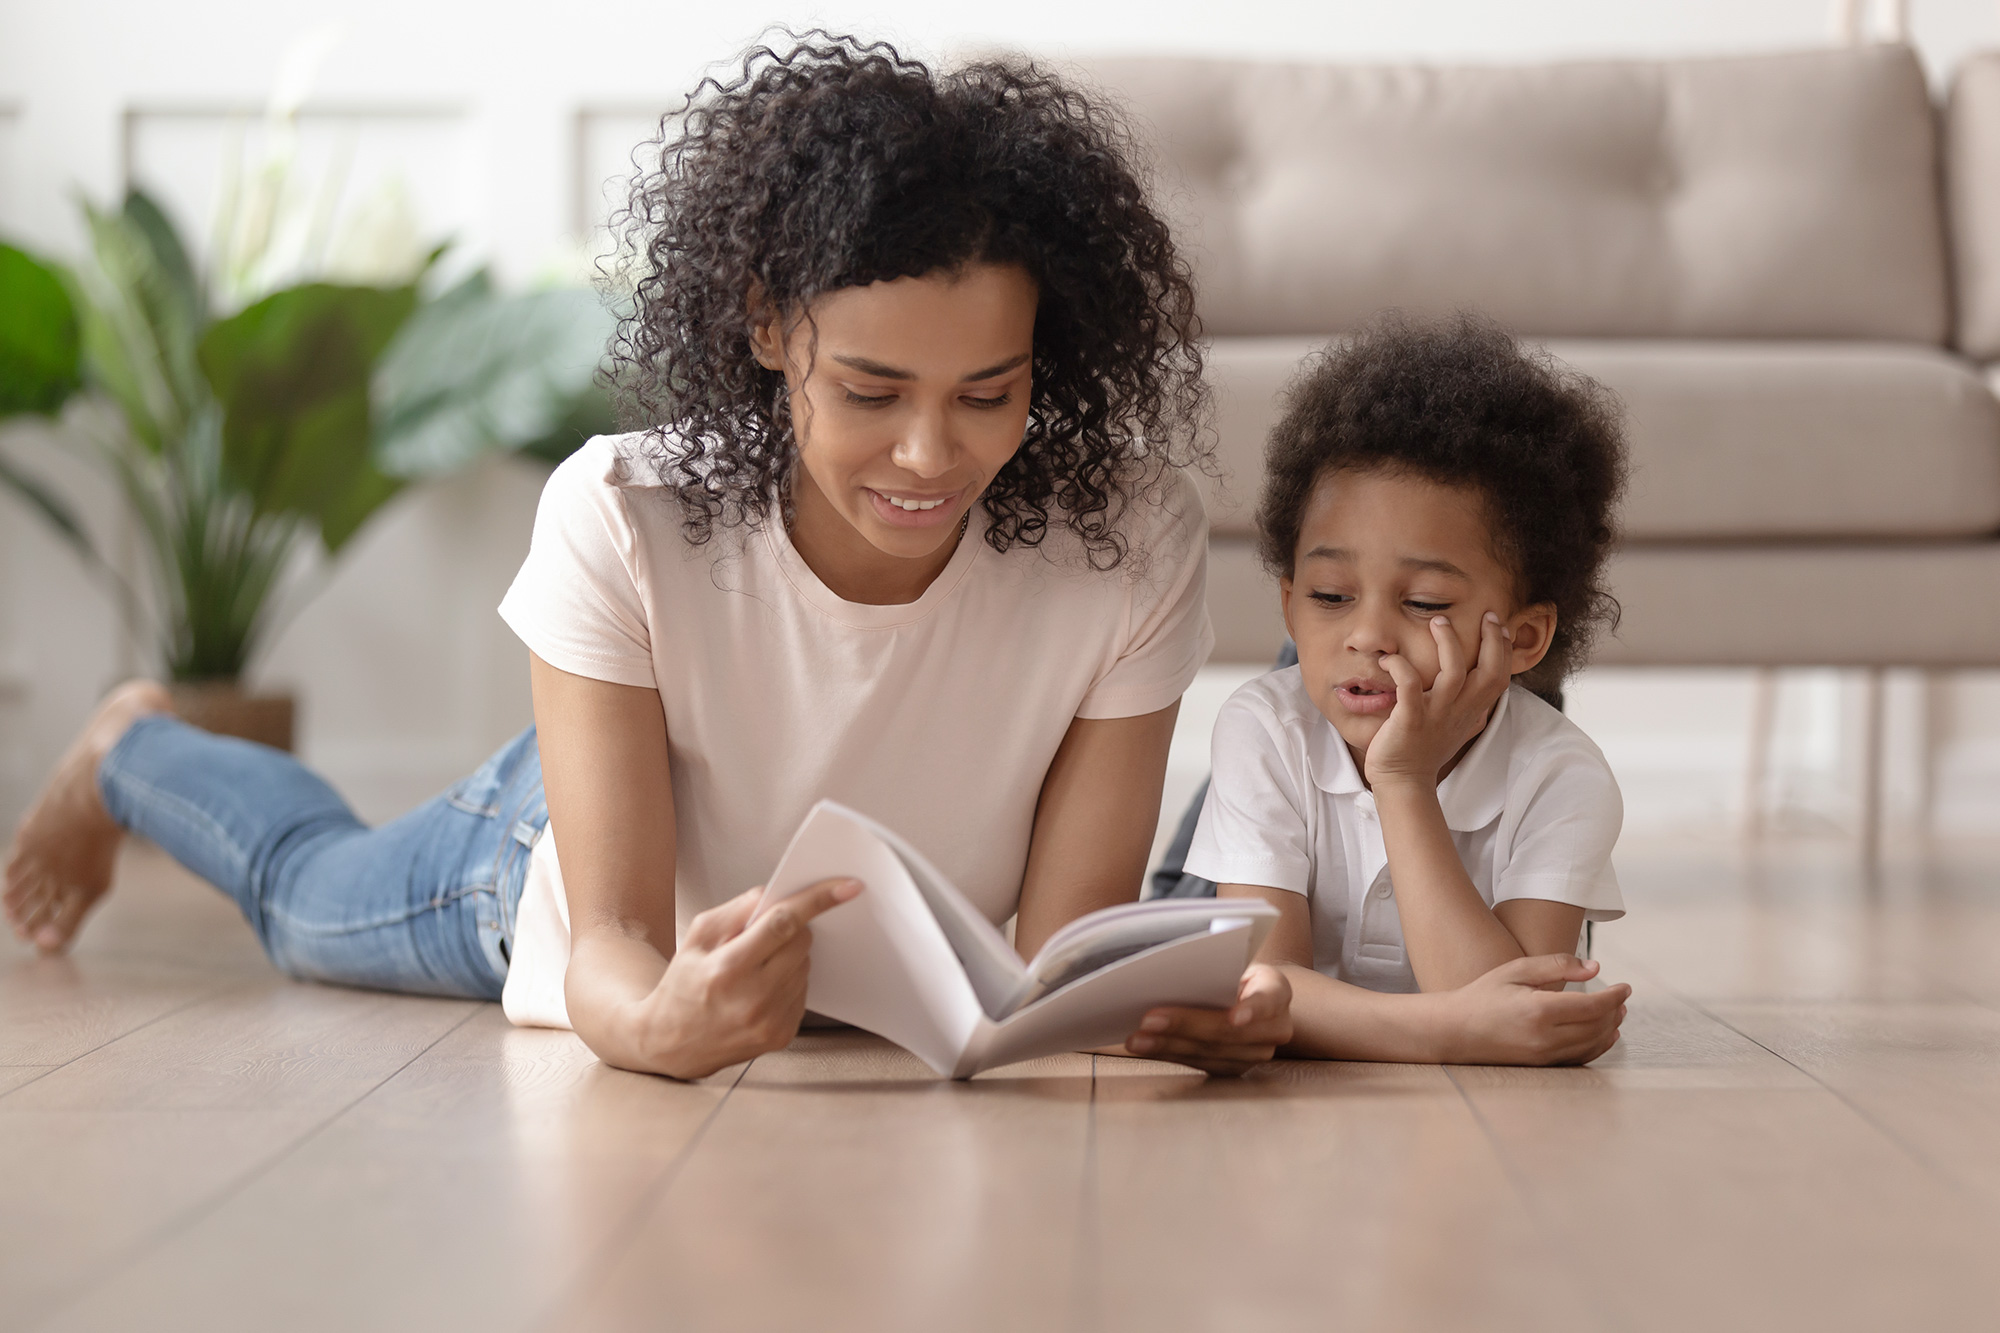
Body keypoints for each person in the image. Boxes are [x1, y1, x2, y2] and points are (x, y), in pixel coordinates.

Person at [1, 34, 1294, 1080]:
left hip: (809, 959)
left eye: (986, 393)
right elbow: (613, 946)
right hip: (556, 848)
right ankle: (132, 746)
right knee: (298, 900)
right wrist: (659, 1024)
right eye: (871, 391)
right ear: (770, 327)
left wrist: (1151, 1018)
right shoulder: (622, 512)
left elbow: (1056, 959)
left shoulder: (1129, 542)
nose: (928, 456)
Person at [1122, 315, 1633, 1069]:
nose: (1369, 633)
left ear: (1524, 638)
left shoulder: (1566, 777)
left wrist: (1403, 781)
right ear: (1289, 601)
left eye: (1424, 601)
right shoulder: (1265, 727)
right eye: (1328, 594)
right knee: (1171, 950)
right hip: (1209, 892)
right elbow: (1264, 988)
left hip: (1447, 746)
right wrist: (1448, 1029)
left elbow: (1511, 1004)